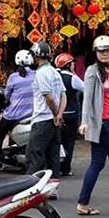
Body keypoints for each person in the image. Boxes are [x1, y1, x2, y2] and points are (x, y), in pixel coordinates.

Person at [76, 35, 109, 216]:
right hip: (100, 124)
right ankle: (83, 203)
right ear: (96, 53)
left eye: (107, 50)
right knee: (97, 164)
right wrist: (84, 122)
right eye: (101, 51)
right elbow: (87, 98)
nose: (105, 54)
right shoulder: (92, 71)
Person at [28, 41, 65, 174]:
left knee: (34, 156)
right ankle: (52, 190)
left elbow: (48, 97)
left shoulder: (41, 73)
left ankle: (30, 189)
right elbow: (63, 95)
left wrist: (56, 113)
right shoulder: (55, 72)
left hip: (42, 120)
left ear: (36, 56)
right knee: (53, 157)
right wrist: (59, 115)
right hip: (54, 122)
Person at [0, 50, 35, 160]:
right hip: (32, 113)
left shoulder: (13, 77)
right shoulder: (36, 75)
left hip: (15, 114)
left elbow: (7, 95)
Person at [55, 52, 85, 177]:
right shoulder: (72, 78)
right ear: (69, 65)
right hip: (71, 113)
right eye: (73, 63)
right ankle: (66, 168)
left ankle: (55, 166)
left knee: (56, 141)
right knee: (69, 142)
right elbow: (85, 88)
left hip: (57, 113)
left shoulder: (55, 76)